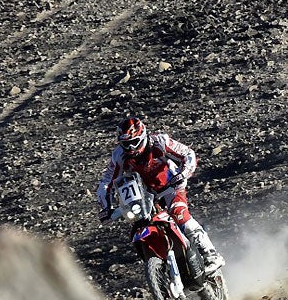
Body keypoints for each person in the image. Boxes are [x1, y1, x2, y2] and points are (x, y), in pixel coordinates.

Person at [96, 116, 225, 276]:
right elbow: (106, 182)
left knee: (179, 213)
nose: (130, 148)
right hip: (144, 196)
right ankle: (160, 270)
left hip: (171, 186)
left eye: (133, 142)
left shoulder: (160, 142)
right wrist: (105, 208)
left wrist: (184, 172)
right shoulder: (119, 156)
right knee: (139, 225)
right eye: (126, 144)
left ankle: (210, 254)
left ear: (142, 136)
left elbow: (188, 153)